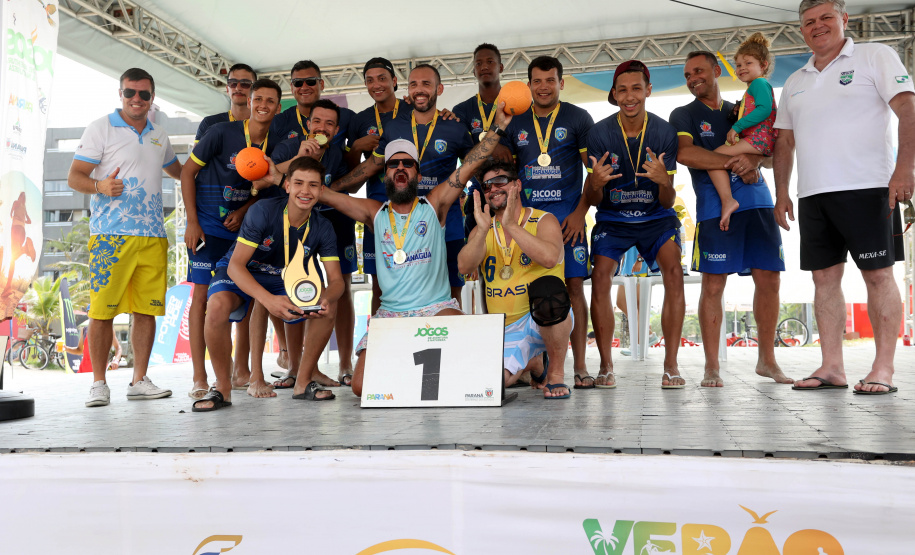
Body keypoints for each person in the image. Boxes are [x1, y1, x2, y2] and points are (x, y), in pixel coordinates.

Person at [319, 104, 513, 397]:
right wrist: (283, 178)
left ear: (418, 176)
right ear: (385, 175)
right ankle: (418, 375)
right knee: (360, 387)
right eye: (393, 164)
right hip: (391, 314)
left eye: (407, 164)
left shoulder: (434, 204)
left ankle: (424, 379)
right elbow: (325, 194)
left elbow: (470, 165)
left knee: (481, 368)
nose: (400, 168)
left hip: (436, 309)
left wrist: (497, 128)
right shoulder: (374, 212)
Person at [774, 0, 915, 394]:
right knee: (823, 279)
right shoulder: (796, 80)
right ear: (801, 29)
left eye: (826, 18)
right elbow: (784, 142)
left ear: (844, 19)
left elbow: (908, 109)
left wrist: (905, 169)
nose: (817, 26)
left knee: (878, 275)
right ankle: (832, 367)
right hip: (813, 194)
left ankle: (883, 369)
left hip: (869, 188)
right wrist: (781, 192)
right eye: (809, 21)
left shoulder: (875, 55)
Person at [670, 52, 791, 388]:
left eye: (698, 71)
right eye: (687, 74)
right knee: (713, 285)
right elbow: (685, 154)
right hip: (715, 208)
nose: (692, 78)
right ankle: (712, 367)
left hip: (758, 201)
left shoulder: (743, 107)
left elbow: (769, 152)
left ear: (716, 71)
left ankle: (767, 360)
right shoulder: (683, 113)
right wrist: (735, 163)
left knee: (769, 279)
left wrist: (755, 163)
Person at [68, 67, 183, 407]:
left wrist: (217, 164)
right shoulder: (100, 128)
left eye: (144, 94)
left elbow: (180, 172)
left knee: (146, 311)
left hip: (153, 235)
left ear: (152, 98)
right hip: (110, 236)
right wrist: (99, 185)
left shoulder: (159, 134)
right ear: (120, 94)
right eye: (130, 92)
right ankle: (98, 383)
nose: (136, 99)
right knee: (102, 312)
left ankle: (139, 380)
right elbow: (75, 176)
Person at [192, 156, 344, 411]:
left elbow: (337, 280)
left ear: (321, 190)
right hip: (243, 270)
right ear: (287, 186)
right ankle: (222, 387)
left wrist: (327, 298)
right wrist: (268, 299)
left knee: (327, 307)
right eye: (299, 183)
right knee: (216, 307)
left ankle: (303, 382)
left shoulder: (323, 226)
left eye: (313, 185)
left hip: (283, 277)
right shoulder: (263, 211)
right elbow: (236, 266)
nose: (305, 191)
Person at [332, 64, 474, 305]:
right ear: (407, 90)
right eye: (414, 84)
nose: (419, 89)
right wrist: (332, 188)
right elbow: (374, 164)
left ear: (439, 89)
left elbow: (471, 168)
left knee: (452, 292)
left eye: (426, 84)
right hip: (397, 226)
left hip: (445, 223)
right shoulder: (395, 127)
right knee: (385, 292)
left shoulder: (455, 127)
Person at [586, 60, 685, 389]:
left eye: (637, 89)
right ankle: (605, 365)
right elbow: (594, 199)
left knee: (674, 272)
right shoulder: (599, 133)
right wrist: (595, 184)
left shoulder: (664, 132)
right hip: (613, 218)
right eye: (623, 90)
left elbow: (668, 201)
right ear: (614, 94)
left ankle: (671, 365)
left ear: (648, 91)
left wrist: (663, 181)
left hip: (656, 216)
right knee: (601, 276)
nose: (630, 97)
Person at [181, 78, 283, 399]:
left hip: (243, 233)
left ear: (278, 108)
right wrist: (192, 222)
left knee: (247, 297)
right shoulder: (220, 133)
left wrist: (245, 210)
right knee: (202, 298)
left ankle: (241, 371)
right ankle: (201, 377)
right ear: (249, 102)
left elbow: (271, 187)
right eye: (258, 99)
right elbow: (187, 172)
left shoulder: (277, 142)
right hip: (206, 229)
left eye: (270, 101)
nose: (263, 105)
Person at [501, 56, 594, 387]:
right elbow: (507, 172)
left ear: (561, 83)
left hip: (568, 222)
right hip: (528, 225)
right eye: (537, 81)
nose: (543, 87)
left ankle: (579, 365)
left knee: (574, 288)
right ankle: (532, 360)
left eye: (550, 80)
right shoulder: (516, 121)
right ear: (529, 85)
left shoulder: (578, 117)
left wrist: (580, 213)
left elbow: (595, 172)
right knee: (531, 289)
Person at [457, 160, 573, 399]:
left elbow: (550, 258)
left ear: (517, 185)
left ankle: (555, 375)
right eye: (487, 186)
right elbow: (464, 267)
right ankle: (535, 363)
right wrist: (481, 231)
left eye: (500, 181)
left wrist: (511, 224)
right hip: (506, 327)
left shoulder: (543, 219)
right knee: (494, 383)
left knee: (550, 288)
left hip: (543, 319)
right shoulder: (483, 229)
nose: (493, 189)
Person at [269, 99, 356, 387]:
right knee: (294, 288)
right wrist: (298, 158)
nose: (322, 127)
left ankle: (345, 364)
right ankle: (295, 368)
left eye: (329, 124)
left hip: (334, 222)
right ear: (308, 124)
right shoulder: (289, 146)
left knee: (341, 289)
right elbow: (266, 175)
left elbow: (348, 184)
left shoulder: (337, 153)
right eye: (317, 121)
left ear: (336, 130)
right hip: (296, 225)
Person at [345, 57, 412, 316]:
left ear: (394, 81)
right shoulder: (360, 120)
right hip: (377, 207)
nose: (377, 85)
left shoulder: (411, 110)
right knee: (380, 284)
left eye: (382, 78)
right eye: (370, 80)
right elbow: (352, 176)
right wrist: (355, 147)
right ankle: (378, 338)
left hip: (411, 204)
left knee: (417, 277)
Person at [707, 33, 778, 231]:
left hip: (758, 140)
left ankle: (728, 199)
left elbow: (764, 109)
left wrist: (737, 127)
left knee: (712, 158)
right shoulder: (753, 88)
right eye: (738, 65)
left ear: (763, 65)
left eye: (748, 63)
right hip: (758, 139)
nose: (742, 68)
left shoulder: (759, 84)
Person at [452, 43, 514, 237]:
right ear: (473, 70)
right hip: (478, 194)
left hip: (511, 194)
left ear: (501, 67)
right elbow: (464, 156)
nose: (484, 67)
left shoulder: (516, 105)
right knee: (477, 250)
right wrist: (493, 147)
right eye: (479, 63)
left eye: (490, 62)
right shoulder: (462, 110)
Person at [272, 60, 354, 150]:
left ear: (321, 84)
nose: (304, 87)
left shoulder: (345, 116)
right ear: (292, 88)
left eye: (311, 81)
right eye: (298, 83)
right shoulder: (278, 122)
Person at [194, 63, 257, 142]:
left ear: (255, 90)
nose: (238, 88)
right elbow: (196, 150)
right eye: (233, 83)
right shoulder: (210, 123)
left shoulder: (266, 125)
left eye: (245, 83)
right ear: (227, 89)